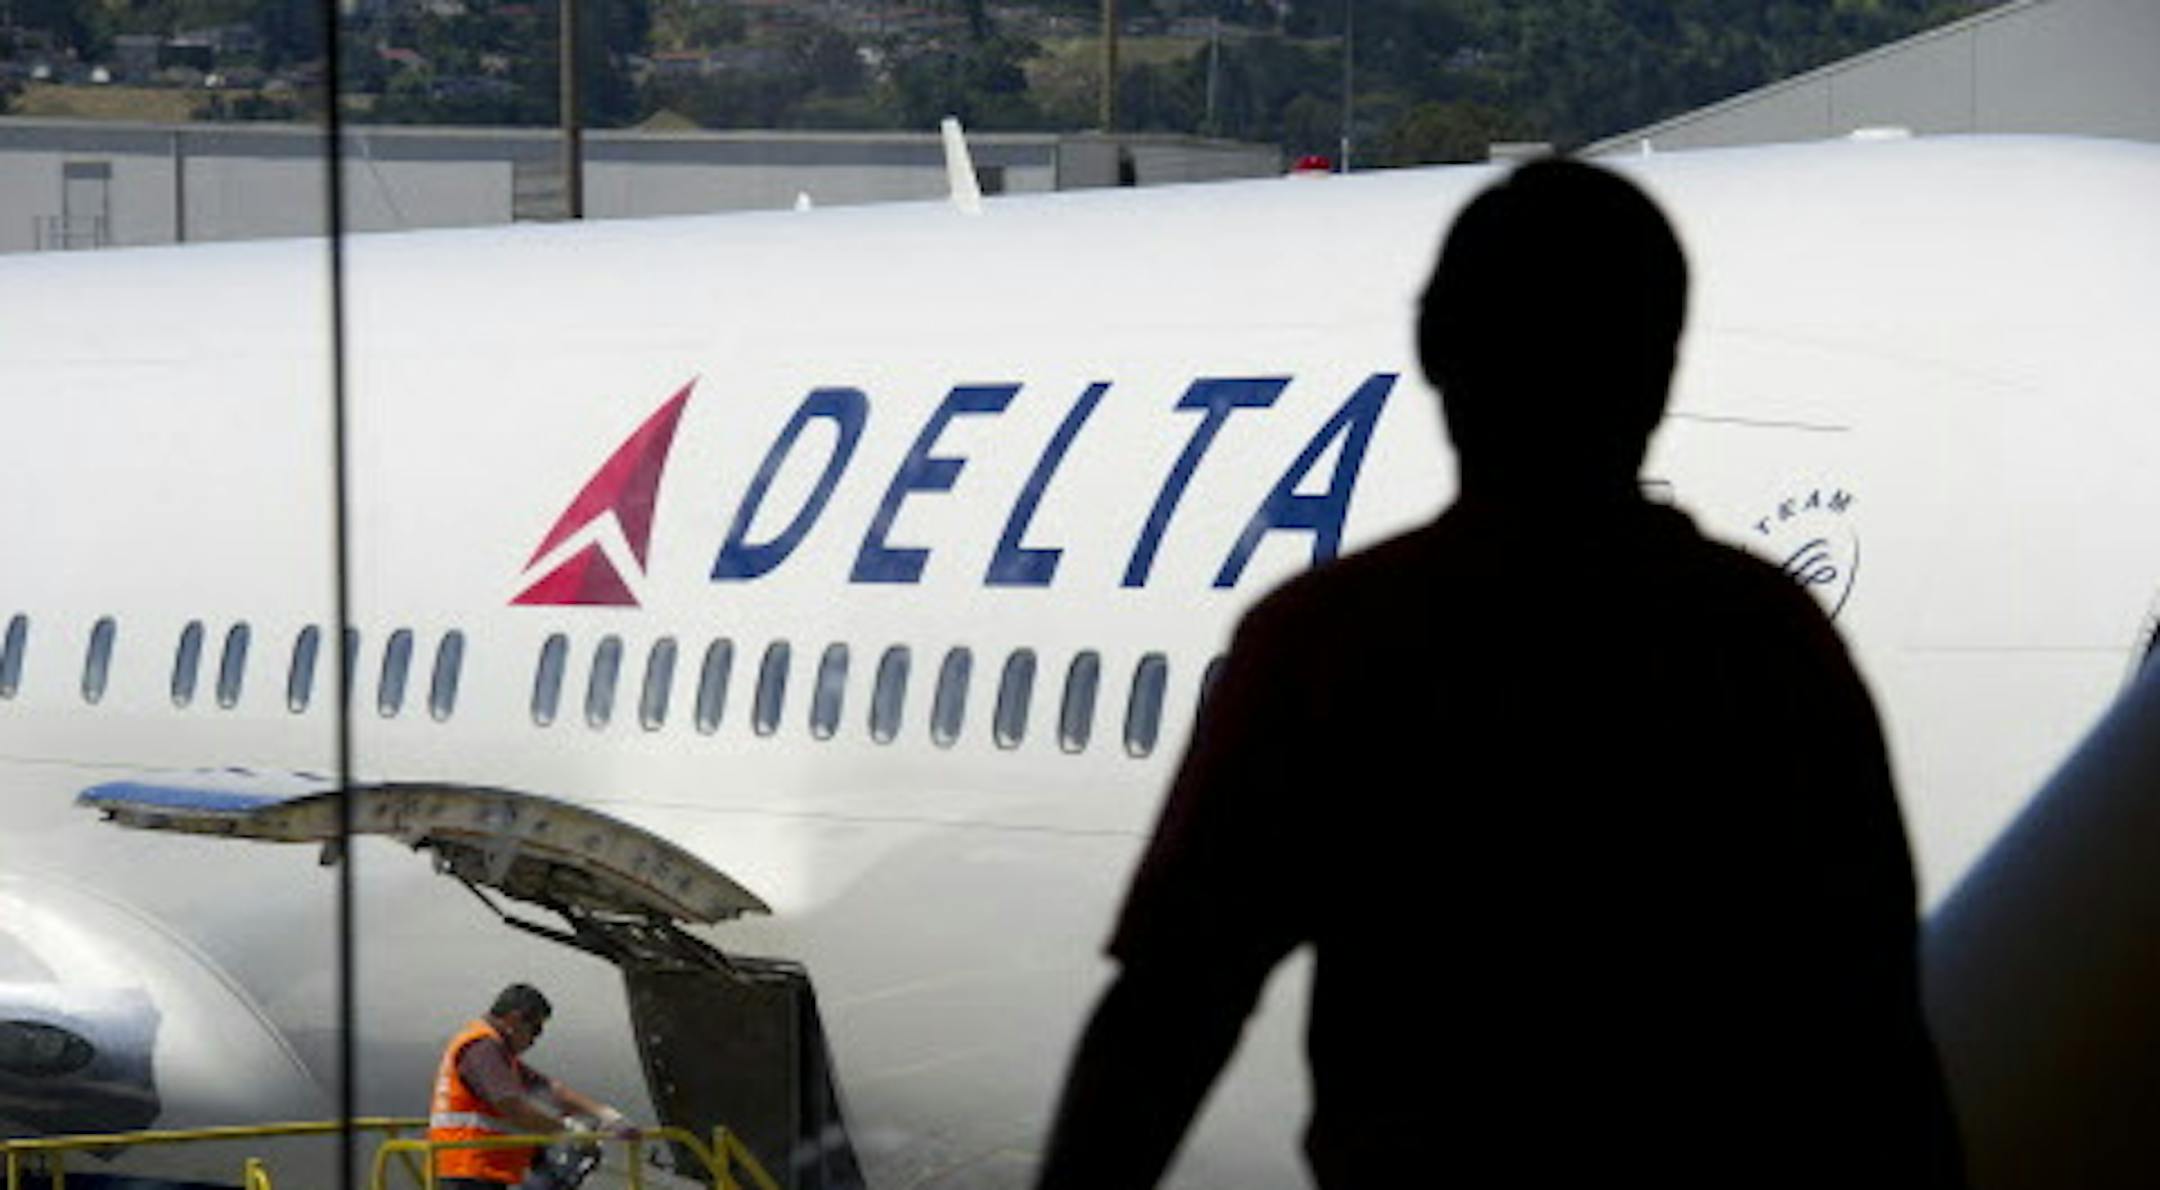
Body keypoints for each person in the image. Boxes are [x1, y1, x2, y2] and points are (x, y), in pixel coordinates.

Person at [1034, 159, 1964, 1188]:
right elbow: (1877, 1028)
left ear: (1438, 353)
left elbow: (1170, 1011)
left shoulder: (1336, 641)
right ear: (1658, 371)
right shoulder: (1767, 645)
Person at [429, 983, 637, 1190]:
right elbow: (511, 1107)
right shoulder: (482, 1049)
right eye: (536, 1029)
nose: (535, 1039)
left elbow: (549, 1089)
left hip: (477, 1169)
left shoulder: (498, 1054)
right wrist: (567, 1132)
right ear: (514, 1020)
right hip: (468, 1170)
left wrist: (606, 1115)